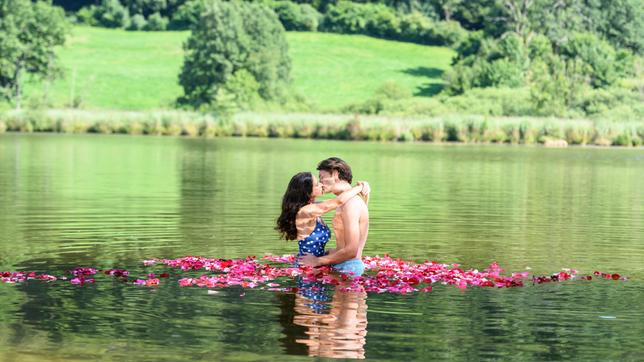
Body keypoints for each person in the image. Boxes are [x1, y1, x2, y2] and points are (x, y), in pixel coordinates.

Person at [299, 157, 369, 277]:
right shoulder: (345, 201)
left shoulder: (351, 204)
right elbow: (342, 246)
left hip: (349, 268)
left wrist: (317, 261)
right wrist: (325, 255)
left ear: (335, 174)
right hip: (342, 265)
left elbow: (352, 250)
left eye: (322, 177)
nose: (320, 183)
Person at [275, 171, 369, 259]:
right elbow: (339, 201)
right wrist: (360, 187)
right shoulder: (306, 211)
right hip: (307, 267)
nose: (321, 185)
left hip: (315, 264)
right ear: (307, 191)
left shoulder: (313, 207)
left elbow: (341, 201)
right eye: (317, 184)